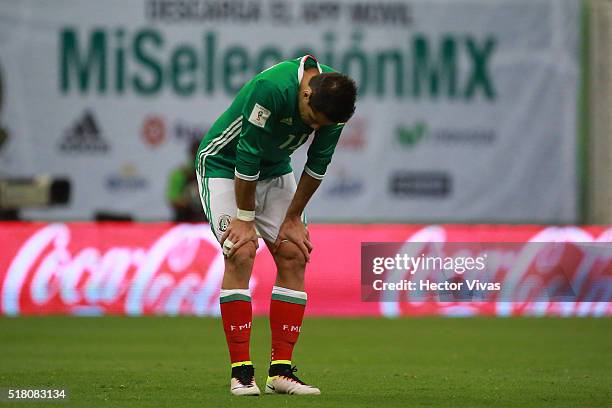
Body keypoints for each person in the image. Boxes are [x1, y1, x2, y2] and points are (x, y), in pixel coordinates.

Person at [195, 55, 357, 396]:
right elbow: (247, 153)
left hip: (275, 168)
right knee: (241, 252)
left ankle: (280, 372)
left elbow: (318, 162)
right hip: (224, 166)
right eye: (312, 119)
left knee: (294, 253)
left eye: (321, 125)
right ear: (306, 95)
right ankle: (241, 372)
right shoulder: (271, 88)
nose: (314, 128)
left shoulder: (335, 104)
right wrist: (244, 217)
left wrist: (295, 218)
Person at [167, 139, 206, 222]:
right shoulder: (181, 174)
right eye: (196, 153)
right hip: (185, 221)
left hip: (206, 222)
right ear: (191, 154)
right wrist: (190, 201)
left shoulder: (210, 174)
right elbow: (173, 200)